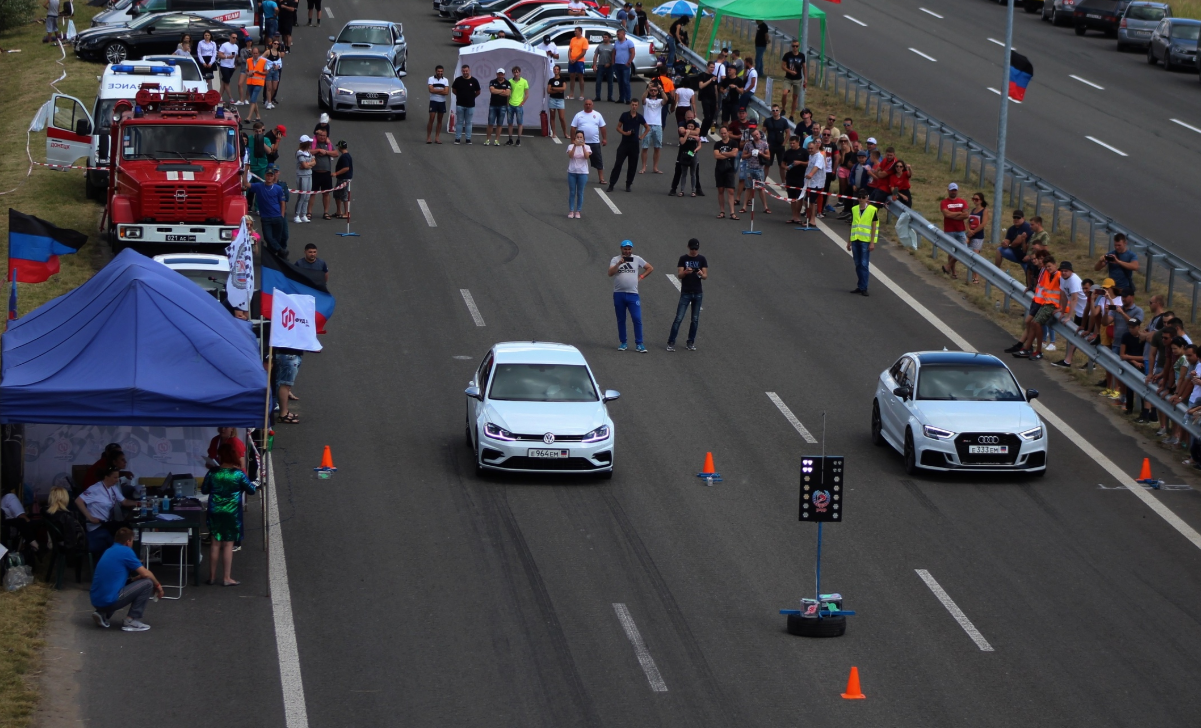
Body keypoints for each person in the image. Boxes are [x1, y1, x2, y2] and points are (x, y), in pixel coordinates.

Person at [202, 444, 257, 586]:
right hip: (232, 512)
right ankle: (226, 578)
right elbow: (251, 491)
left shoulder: (213, 473)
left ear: (220, 457)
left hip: (215, 509)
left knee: (215, 543)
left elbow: (204, 490)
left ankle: (212, 577)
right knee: (228, 544)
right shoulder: (238, 474)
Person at [90, 528, 163, 632]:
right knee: (147, 583)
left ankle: (102, 613)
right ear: (128, 541)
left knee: (114, 588)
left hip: (96, 600)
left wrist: (135, 579)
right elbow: (146, 573)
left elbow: (114, 578)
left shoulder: (109, 550)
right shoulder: (126, 551)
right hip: (109, 601)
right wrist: (158, 586)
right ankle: (131, 620)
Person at [1012, 256, 1064, 361]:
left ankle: (1038, 350)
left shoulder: (1059, 276)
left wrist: (1061, 308)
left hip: (1052, 305)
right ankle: (1027, 348)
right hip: (1046, 303)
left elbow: (1064, 293)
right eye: (1046, 267)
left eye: (1049, 266)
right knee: (1033, 323)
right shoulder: (1050, 275)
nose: (1048, 268)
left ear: (1055, 265)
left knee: (1036, 323)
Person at [76, 466, 137, 554]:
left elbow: (124, 501)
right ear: (106, 477)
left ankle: (128, 555)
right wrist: (90, 518)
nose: (117, 480)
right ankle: (124, 556)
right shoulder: (95, 488)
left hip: (106, 523)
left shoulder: (113, 487)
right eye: (115, 477)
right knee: (122, 532)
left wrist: (140, 503)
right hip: (97, 525)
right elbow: (78, 501)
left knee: (127, 527)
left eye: (118, 477)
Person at [608, 240, 653, 352]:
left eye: (629, 249)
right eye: (625, 249)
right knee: (621, 319)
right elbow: (610, 273)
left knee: (637, 318)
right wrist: (619, 264)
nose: (627, 251)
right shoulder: (615, 259)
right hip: (619, 294)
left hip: (633, 294)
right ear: (621, 249)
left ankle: (639, 343)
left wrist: (641, 277)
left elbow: (650, 268)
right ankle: (623, 342)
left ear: (631, 249)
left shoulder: (637, 258)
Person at [667, 238, 707, 352]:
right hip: (686, 292)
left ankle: (690, 342)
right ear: (688, 247)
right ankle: (671, 342)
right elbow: (679, 275)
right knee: (679, 318)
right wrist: (686, 272)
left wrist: (700, 273)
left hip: (698, 293)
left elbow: (705, 276)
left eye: (696, 249)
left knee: (695, 319)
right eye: (692, 248)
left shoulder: (702, 259)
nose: (694, 251)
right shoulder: (683, 259)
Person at [243, 164, 288, 256]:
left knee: (276, 238)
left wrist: (282, 216)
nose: (269, 177)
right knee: (268, 238)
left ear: (273, 177)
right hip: (266, 218)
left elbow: (282, 202)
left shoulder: (278, 188)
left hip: (277, 217)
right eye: (268, 175)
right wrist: (246, 171)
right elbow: (246, 184)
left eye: (271, 175)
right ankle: (280, 251)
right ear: (265, 176)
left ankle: (273, 257)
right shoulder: (259, 186)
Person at [607, 98, 646, 192]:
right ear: (630, 105)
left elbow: (647, 127)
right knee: (618, 164)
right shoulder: (624, 115)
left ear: (638, 106)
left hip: (634, 144)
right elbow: (618, 127)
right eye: (633, 104)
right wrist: (625, 133)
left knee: (632, 166)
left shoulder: (639, 117)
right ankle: (612, 184)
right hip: (624, 143)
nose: (634, 106)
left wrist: (641, 136)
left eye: (636, 105)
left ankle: (628, 184)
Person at [570, 98, 607, 185]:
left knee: (598, 160)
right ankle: (577, 177)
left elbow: (602, 127)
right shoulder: (579, 115)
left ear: (592, 105)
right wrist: (572, 139)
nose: (588, 106)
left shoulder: (597, 115)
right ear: (584, 105)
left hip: (594, 142)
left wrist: (604, 138)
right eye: (586, 104)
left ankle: (601, 178)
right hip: (581, 143)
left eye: (589, 104)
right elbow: (573, 127)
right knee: (579, 159)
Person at [848, 190, 877, 296]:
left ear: (867, 198)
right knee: (857, 264)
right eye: (859, 197)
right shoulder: (854, 209)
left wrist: (872, 242)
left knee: (864, 264)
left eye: (863, 197)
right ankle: (860, 286)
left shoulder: (872, 210)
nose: (861, 199)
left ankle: (864, 287)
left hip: (865, 241)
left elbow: (874, 226)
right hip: (855, 239)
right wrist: (849, 241)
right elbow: (853, 225)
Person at [939, 183, 970, 280]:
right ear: (948, 190)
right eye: (952, 190)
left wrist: (953, 215)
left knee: (963, 250)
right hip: (949, 230)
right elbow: (946, 214)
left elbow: (966, 215)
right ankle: (954, 272)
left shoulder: (962, 202)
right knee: (951, 252)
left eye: (955, 190)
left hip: (960, 230)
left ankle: (947, 266)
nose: (953, 192)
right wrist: (958, 213)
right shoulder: (944, 202)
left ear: (957, 191)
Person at [669, 109, 702, 197]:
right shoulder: (682, 123)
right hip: (683, 151)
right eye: (688, 117)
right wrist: (693, 135)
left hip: (692, 152)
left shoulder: (696, 123)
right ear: (685, 117)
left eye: (691, 117)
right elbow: (681, 131)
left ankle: (697, 189)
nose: (690, 119)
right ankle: (674, 188)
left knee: (695, 171)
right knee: (679, 170)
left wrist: (688, 133)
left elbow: (698, 132)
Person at [740, 128, 771, 214]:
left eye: (757, 134)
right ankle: (744, 207)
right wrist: (750, 154)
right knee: (748, 188)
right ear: (752, 136)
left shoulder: (764, 144)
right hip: (749, 168)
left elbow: (768, 156)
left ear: (760, 134)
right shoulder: (748, 144)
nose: (756, 136)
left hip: (760, 169)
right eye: (754, 135)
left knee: (761, 188)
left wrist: (761, 153)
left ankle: (765, 207)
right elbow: (743, 156)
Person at [310, 129, 338, 219]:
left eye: (324, 135)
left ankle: (326, 212)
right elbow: (308, 151)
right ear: (317, 135)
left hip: (326, 173)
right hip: (315, 172)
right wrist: (318, 150)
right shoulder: (312, 143)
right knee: (312, 193)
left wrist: (326, 152)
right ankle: (309, 212)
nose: (322, 137)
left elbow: (336, 153)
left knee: (326, 193)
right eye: (320, 135)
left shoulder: (328, 144)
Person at [713, 125, 740, 220]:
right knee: (720, 190)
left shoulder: (733, 143)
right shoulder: (717, 144)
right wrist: (728, 155)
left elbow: (734, 154)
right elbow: (716, 156)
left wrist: (723, 153)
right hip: (720, 169)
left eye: (725, 133)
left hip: (730, 168)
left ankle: (732, 212)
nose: (723, 135)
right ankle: (722, 211)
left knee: (730, 190)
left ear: (728, 132)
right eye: (722, 133)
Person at [639, 82, 665, 174]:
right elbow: (642, 99)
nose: (653, 92)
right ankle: (643, 167)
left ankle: (655, 167)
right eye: (652, 90)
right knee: (645, 147)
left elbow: (666, 100)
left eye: (655, 90)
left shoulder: (659, 101)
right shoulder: (646, 101)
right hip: (647, 126)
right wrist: (647, 89)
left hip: (657, 125)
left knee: (657, 147)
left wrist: (661, 90)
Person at [452, 64, 481, 145]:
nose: (465, 72)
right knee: (459, 122)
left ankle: (468, 139)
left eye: (466, 71)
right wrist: (460, 95)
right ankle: (457, 138)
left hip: (470, 105)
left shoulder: (474, 81)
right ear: (462, 71)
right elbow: (454, 90)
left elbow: (478, 91)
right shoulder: (458, 80)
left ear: (469, 70)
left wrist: (472, 97)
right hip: (460, 105)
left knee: (468, 122)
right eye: (463, 71)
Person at [964, 192, 989, 284]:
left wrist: (974, 232)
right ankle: (971, 275)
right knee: (967, 255)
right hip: (970, 234)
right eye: (973, 199)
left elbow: (983, 224)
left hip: (978, 236)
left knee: (975, 257)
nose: (974, 201)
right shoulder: (973, 210)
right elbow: (968, 221)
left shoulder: (984, 211)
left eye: (976, 199)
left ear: (981, 200)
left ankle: (976, 276)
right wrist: (969, 230)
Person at [782, 136, 807, 224]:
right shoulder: (788, 152)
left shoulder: (804, 152)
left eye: (793, 143)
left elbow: (808, 163)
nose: (792, 145)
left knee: (799, 197)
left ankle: (797, 216)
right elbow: (783, 163)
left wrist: (800, 162)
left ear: (798, 143)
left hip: (800, 177)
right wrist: (785, 167)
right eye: (790, 143)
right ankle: (793, 216)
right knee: (792, 197)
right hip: (790, 177)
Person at [762, 104, 790, 182]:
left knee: (781, 165)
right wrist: (765, 143)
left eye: (776, 110)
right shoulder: (767, 120)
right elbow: (762, 132)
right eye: (773, 110)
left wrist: (784, 143)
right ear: (771, 111)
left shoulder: (783, 121)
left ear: (779, 111)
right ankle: (762, 182)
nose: (775, 112)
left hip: (780, 146)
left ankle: (783, 183)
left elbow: (788, 132)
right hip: (770, 146)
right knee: (767, 165)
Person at [567, 131, 592, 218]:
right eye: (577, 137)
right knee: (572, 192)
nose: (579, 139)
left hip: (583, 173)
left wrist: (583, 146)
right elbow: (570, 155)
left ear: (584, 139)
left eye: (581, 137)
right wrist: (575, 145)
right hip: (572, 172)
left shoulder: (587, 147)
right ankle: (571, 210)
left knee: (580, 192)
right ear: (575, 138)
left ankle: (578, 211)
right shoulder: (570, 146)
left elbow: (586, 157)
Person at [275, 348, 303, 423]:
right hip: (288, 354)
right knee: (285, 384)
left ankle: (285, 412)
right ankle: (283, 414)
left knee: (285, 384)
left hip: (291, 354)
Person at [486, 68, 511, 146]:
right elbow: (492, 91)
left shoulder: (507, 83)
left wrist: (498, 91)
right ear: (497, 74)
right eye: (499, 74)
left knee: (499, 124)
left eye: (502, 74)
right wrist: (502, 90)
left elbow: (507, 94)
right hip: (493, 105)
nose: (500, 75)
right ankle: (488, 139)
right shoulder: (492, 82)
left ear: (504, 74)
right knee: (490, 123)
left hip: (503, 106)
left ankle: (497, 140)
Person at [781, 40, 805, 118]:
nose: (795, 48)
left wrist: (806, 79)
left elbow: (804, 67)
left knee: (795, 97)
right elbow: (783, 66)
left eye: (796, 46)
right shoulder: (787, 55)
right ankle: (783, 108)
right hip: (788, 78)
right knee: (785, 93)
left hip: (797, 79)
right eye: (793, 46)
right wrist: (790, 71)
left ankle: (792, 115)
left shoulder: (801, 56)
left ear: (798, 47)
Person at [293, 135, 314, 223]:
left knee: (307, 196)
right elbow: (304, 165)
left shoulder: (309, 152)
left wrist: (307, 165)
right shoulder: (299, 152)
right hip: (302, 176)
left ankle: (303, 214)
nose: (311, 144)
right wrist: (309, 164)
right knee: (302, 196)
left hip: (309, 175)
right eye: (309, 142)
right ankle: (297, 215)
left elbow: (314, 162)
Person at [506, 66, 529, 146]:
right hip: (511, 104)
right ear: (513, 73)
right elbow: (508, 93)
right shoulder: (509, 81)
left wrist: (521, 103)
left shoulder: (524, 81)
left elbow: (527, 94)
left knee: (520, 123)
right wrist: (507, 103)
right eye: (514, 72)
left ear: (520, 72)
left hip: (518, 105)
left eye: (517, 72)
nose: (516, 74)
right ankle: (510, 139)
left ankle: (518, 139)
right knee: (510, 123)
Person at [613, 27, 637, 104]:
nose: (617, 35)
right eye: (617, 34)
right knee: (620, 82)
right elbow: (614, 52)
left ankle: (628, 98)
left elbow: (632, 53)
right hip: (617, 64)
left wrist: (629, 62)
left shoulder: (629, 43)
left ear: (623, 34)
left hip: (625, 65)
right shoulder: (616, 43)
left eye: (618, 34)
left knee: (626, 82)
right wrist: (613, 61)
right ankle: (621, 98)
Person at [426, 66, 449, 145]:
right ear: (436, 71)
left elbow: (446, 92)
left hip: (442, 102)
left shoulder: (445, 80)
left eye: (441, 71)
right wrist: (442, 90)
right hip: (433, 101)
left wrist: (436, 90)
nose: (440, 73)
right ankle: (428, 137)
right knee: (431, 119)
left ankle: (437, 137)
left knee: (440, 120)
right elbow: (431, 90)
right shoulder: (431, 79)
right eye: (438, 71)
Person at [245, 45, 268, 122]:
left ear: (259, 53)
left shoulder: (263, 61)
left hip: (259, 83)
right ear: (252, 53)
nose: (255, 54)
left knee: (252, 100)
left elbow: (266, 72)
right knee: (253, 100)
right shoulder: (248, 60)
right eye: (254, 53)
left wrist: (258, 72)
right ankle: (258, 116)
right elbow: (246, 70)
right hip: (250, 82)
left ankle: (249, 117)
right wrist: (248, 74)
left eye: (256, 53)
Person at [217, 33, 240, 103]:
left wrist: (236, 64)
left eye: (236, 38)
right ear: (230, 37)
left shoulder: (236, 46)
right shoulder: (225, 45)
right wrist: (227, 57)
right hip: (224, 66)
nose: (234, 39)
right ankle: (231, 98)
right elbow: (219, 54)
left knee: (224, 81)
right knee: (227, 82)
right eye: (233, 37)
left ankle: (219, 97)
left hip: (231, 67)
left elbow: (236, 56)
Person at [332, 140, 353, 218]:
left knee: (344, 196)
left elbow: (346, 168)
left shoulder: (344, 157)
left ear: (340, 147)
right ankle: (338, 211)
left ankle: (346, 213)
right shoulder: (347, 155)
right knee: (337, 194)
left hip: (344, 179)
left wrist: (336, 173)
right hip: (342, 178)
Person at [547, 65, 568, 139]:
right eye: (554, 69)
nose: (556, 70)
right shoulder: (551, 80)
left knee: (562, 117)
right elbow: (548, 91)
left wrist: (554, 88)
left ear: (559, 71)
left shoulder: (562, 79)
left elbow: (564, 88)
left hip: (560, 100)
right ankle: (554, 133)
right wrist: (558, 89)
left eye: (557, 69)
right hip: (552, 100)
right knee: (552, 117)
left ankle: (565, 133)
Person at [568, 27, 589, 100]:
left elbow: (583, 52)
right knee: (572, 76)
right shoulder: (573, 39)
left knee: (580, 77)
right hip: (572, 60)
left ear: (580, 31)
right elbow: (570, 50)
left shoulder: (584, 40)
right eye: (575, 31)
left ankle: (582, 94)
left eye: (576, 31)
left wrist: (576, 59)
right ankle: (571, 94)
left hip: (580, 61)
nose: (575, 32)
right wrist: (570, 58)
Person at [593, 33, 615, 102]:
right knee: (598, 81)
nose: (604, 38)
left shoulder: (612, 47)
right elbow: (595, 55)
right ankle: (598, 96)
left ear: (609, 38)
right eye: (603, 37)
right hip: (601, 65)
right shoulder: (599, 46)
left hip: (609, 66)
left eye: (606, 37)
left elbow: (614, 57)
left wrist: (610, 63)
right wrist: (594, 65)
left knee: (610, 82)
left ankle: (610, 97)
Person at [263, 39, 283, 109]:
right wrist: (266, 67)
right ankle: (269, 102)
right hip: (269, 71)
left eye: (277, 44)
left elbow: (280, 63)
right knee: (269, 88)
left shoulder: (278, 53)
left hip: (276, 71)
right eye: (275, 43)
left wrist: (278, 66)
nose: (276, 45)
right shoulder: (268, 52)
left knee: (274, 88)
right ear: (272, 44)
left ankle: (269, 100)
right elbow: (261, 59)